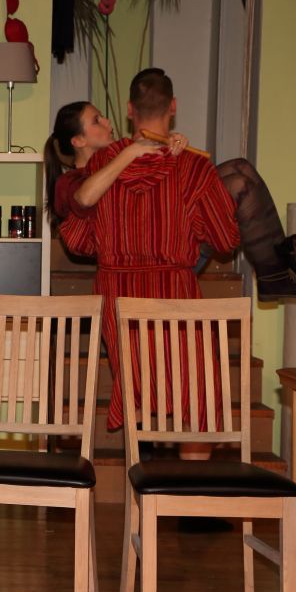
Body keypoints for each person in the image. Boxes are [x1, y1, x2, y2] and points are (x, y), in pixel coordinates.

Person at [50, 68, 242, 433]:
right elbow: (226, 240)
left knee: (138, 390)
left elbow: (77, 239)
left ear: (129, 110)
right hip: (175, 295)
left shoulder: (99, 166)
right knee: (195, 400)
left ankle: (141, 468)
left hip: (120, 296)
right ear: (173, 106)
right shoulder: (194, 167)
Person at [45, 100, 296, 302]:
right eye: (97, 120)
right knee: (237, 184)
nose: (108, 122)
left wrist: (171, 147)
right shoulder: (70, 182)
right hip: (148, 265)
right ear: (78, 141)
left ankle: (282, 261)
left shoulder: (113, 162)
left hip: (168, 243)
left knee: (241, 169)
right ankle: (273, 274)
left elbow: (158, 192)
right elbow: (86, 197)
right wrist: (131, 152)